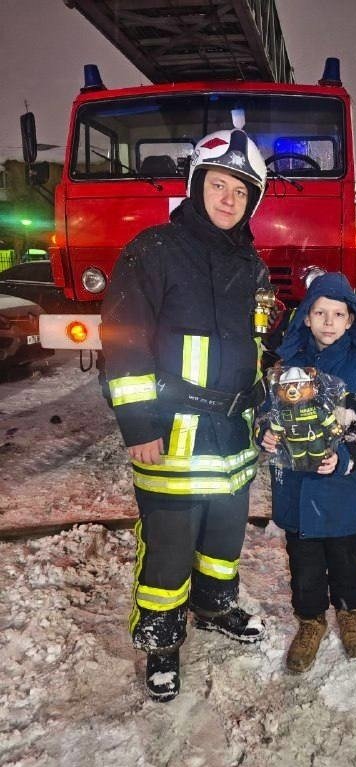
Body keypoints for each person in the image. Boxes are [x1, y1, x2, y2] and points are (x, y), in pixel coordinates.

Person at [101, 129, 273, 702]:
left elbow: (257, 346)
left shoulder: (251, 264)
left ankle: (215, 608)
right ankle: (161, 641)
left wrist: (267, 411)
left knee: (223, 538)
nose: (229, 199)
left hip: (233, 436)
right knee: (170, 547)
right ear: (197, 185)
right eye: (219, 185)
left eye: (241, 192)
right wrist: (139, 425)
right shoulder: (153, 250)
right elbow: (124, 343)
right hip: (174, 434)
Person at [259, 273, 356, 673]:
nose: (329, 322)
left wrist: (346, 456)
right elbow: (266, 412)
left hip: (342, 485)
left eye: (338, 314)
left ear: (351, 319)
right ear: (306, 318)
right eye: (320, 313)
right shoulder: (287, 365)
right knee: (304, 558)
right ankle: (310, 620)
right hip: (296, 487)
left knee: (346, 555)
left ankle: (350, 612)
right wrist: (264, 433)